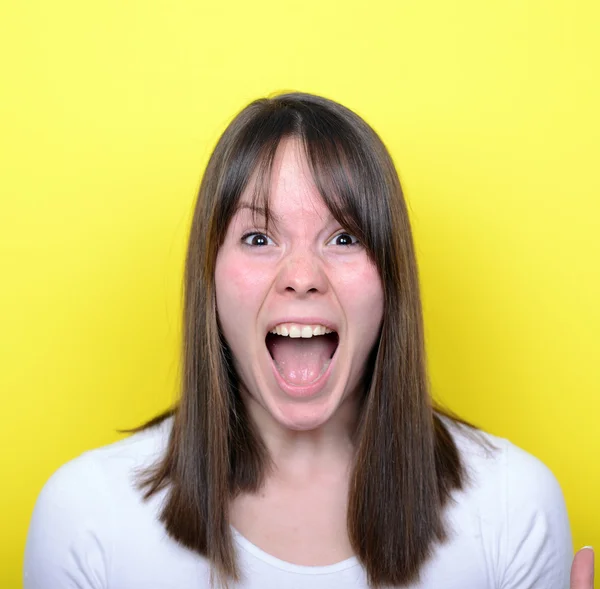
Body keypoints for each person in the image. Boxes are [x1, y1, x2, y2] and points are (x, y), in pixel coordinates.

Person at [23, 92, 591, 588]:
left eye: (343, 237)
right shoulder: (85, 514)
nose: (302, 274)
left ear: (391, 278)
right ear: (211, 279)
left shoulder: (515, 504)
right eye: (258, 236)